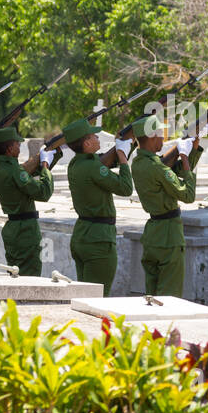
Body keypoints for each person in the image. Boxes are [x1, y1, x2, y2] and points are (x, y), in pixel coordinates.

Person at [131, 114, 202, 296]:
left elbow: (173, 171)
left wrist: (191, 150)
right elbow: (187, 195)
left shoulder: (138, 163)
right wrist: (184, 156)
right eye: (161, 134)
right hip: (169, 237)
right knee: (170, 297)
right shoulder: (157, 167)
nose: (164, 138)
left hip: (153, 235)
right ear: (153, 136)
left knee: (152, 294)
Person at [63, 117, 134, 294]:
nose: (98, 138)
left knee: (84, 297)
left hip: (82, 236)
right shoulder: (94, 167)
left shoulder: (75, 164)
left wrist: (122, 146)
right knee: (96, 298)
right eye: (94, 136)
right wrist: (123, 158)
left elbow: (101, 165)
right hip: (99, 241)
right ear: (86, 144)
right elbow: (125, 188)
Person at [0, 126, 55, 276]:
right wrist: (45, 165)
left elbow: (22, 173)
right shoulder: (14, 171)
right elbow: (44, 192)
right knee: (29, 277)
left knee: (15, 276)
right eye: (17, 144)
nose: (19, 146)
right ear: (10, 148)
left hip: (12, 229)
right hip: (25, 231)